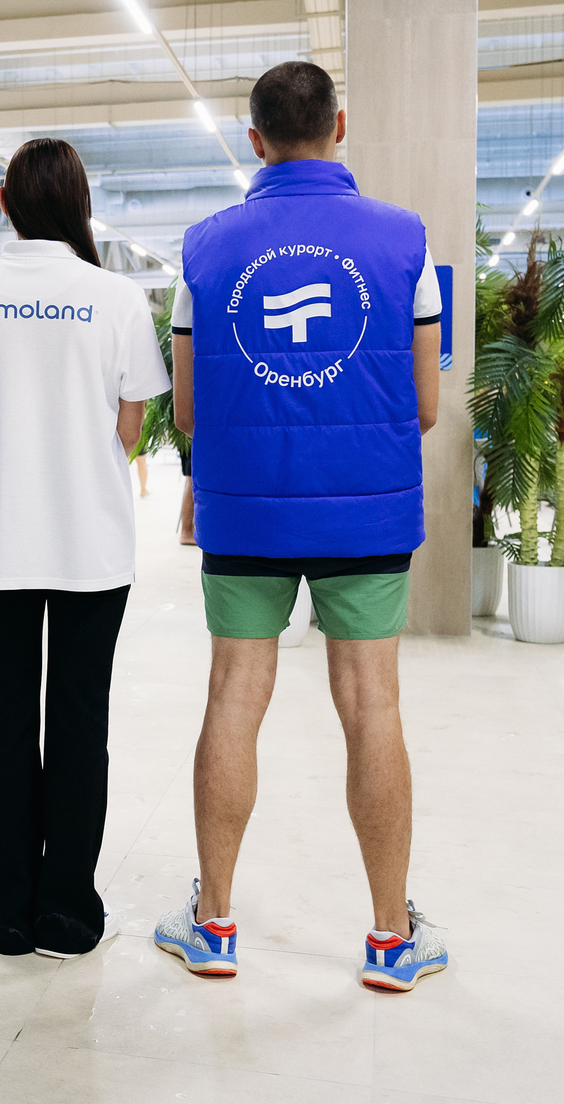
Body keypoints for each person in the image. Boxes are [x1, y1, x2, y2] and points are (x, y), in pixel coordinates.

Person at [156, 60, 449, 993]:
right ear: (340, 125)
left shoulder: (204, 250)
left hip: (246, 506)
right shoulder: (404, 241)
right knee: (373, 706)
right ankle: (392, 939)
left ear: (255, 139)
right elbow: (426, 405)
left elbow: (189, 409)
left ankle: (213, 925)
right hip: (367, 507)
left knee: (233, 697)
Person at [0, 137, 170, 959]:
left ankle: (6, 912)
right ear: (79, 203)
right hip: (90, 542)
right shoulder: (115, 296)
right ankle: (66, 912)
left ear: (5, 204)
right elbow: (132, 423)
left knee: (4, 718)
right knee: (77, 718)